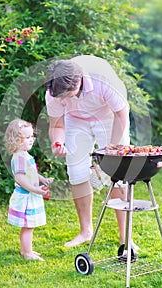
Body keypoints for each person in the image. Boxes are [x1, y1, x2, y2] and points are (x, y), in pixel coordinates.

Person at [45, 55, 138, 251]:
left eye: (67, 96)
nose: (62, 100)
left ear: (78, 82)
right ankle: (85, 231)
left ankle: (125, 238)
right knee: (76, 173)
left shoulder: (102, 78)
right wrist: (57, 142)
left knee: (117, 174)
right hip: (76, 120)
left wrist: (111, 150)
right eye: (60, 97)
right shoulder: (54, 90)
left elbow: (121, 114)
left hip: (109, 117)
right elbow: (56, 124)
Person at [5, 118, 53, 261]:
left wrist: (42, 179)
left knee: (29, 225)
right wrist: (35, 189)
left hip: (30, 195)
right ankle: (27, 252)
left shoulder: (24, 155)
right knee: (28, 225)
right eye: (26, 137)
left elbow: (30, 172)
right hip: (26, 197)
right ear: (16, 140)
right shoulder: (19, 157)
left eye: (32, 136)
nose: (31, 139)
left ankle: (26, 249)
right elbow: (20, 178)